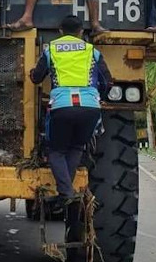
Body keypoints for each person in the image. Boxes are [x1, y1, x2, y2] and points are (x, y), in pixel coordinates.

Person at [28, 15, 112, 200]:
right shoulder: (92, 51)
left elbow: (36, 78)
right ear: (81, 31)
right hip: (90, 108)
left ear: (60, 31)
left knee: (57, 151)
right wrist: (100, 96)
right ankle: (67, 192)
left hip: (62, 107)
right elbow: (108, 81)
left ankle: (66, 193)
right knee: (76, 147)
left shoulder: (52, 50)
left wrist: (31, 73)